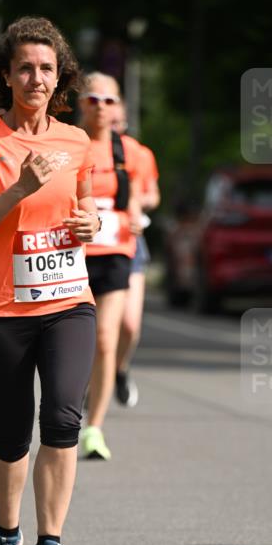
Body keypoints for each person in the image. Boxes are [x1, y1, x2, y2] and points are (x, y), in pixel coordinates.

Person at [0, 15, 101, 545]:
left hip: (68, 302)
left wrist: (91, 222)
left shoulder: (76, 140)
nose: (36, 78)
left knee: (62, 417)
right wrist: (19, 188)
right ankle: (7, 533)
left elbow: (84, 208)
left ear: (60, 77)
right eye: (25, 69)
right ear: (5, 77)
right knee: (11, 433)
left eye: (46, 68)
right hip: (1, 312)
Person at [77, 73, 143, 460]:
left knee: (106, 338)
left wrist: (134, 211)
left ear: (118, 107)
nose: (100, 107)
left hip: (116, 251)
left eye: (108, 100)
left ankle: (95, 428)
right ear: (79, 103)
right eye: (92, 99)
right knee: (75, 341)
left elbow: (141, 195)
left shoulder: (133, 152)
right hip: (71, 255)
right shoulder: (68, 144)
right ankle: (72, 400)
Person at [110, 99, 160, 408]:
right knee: (95, 324)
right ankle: (91, 375)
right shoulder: (81, 147)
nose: (112, 129)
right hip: (92, 243)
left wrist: (136, 203)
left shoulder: (139, 153)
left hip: (130, 239)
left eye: (118, 123)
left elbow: (153, 195)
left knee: (129, 325)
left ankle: (119, 368)